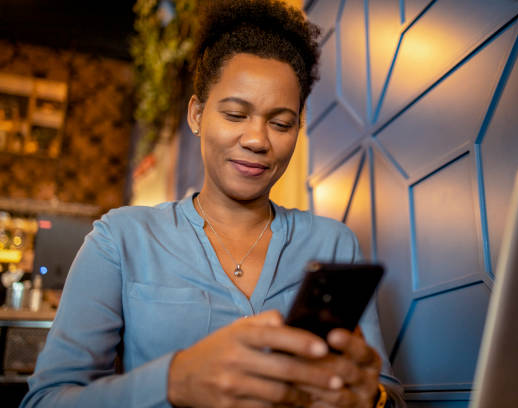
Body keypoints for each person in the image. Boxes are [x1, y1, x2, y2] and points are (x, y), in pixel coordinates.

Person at [21, 1, 405, 407]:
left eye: (281, 123)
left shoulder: (333, 244)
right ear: (197, 115)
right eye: (236, 114)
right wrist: (173, 382)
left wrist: (370, 397)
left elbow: (385, 392)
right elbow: (45, 400)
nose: (258, 139)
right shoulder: (120, 238)